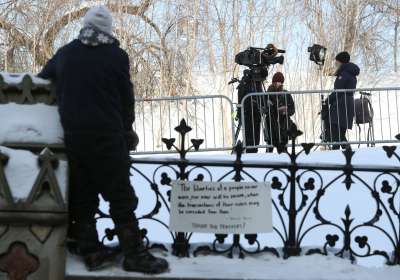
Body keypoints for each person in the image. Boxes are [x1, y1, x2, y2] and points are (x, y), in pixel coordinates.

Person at [38, 6, 169, 274]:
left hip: (74, 139)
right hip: (108, 138)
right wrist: (127, 130)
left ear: (84, 27)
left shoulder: (65, 54)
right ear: (108, 30)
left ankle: (91, 250)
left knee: (84, 197)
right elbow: (126, 98)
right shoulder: (116, 56)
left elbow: (41, 80)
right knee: (120, 196)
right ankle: (134, 254)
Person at [324, 51, 360, 150]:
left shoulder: (344, 74)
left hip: (341, 105)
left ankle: (346, 152)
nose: (336, 64)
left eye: (337, 62)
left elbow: (338, 91)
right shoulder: (350, 73)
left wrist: (327, 101)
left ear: (341, 62)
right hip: (346, 104)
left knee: (337, 133)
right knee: (339, 133)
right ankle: (343, 154)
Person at [263, 72, 296, 152]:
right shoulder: (267, 94)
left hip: (284, 124)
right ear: (273, 82)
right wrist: (269, 107)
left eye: (280, 82)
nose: (278, 83)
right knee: (270, 146)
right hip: (271, 123)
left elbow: (292, 109)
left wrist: (285, 111)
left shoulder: (286, 94)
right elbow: (263, 109)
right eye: (276, 82)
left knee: (283, 150)